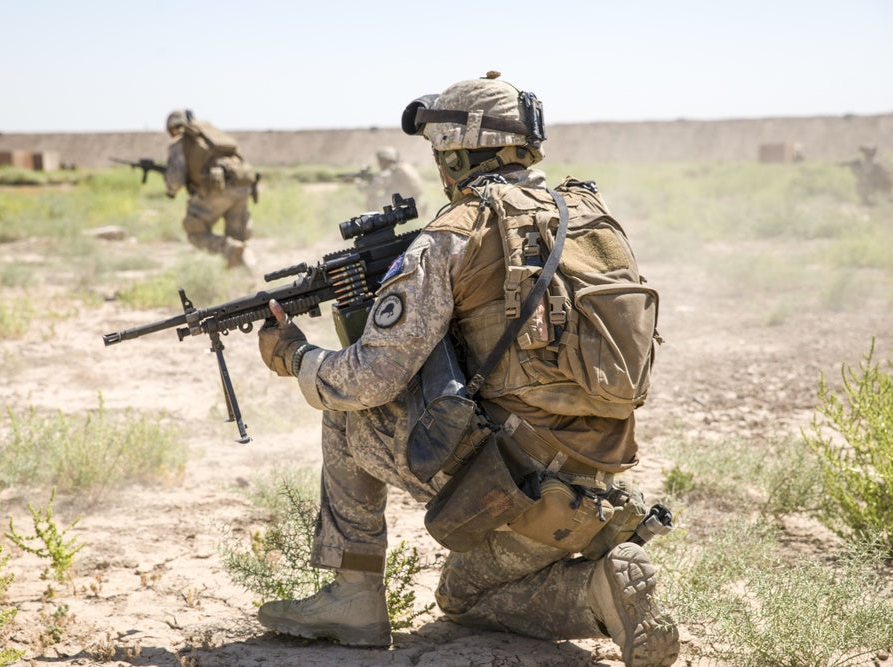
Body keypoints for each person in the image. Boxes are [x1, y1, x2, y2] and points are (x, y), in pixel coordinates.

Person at [255, 72, 680, 667]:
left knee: (346, 414)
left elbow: (366, 380)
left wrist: (294, 356)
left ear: (456, 153)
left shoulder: (456, 234)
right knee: (472, 585)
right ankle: (599, 589)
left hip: (510, 481)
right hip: (597, 476)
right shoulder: (585, 214)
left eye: (439, 154)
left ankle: (353, 599)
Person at [163, 109, 258, 268]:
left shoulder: (181, 142)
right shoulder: (212, 136)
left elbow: (175, 180)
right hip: (242, 185)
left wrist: (169, 187)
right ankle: (251, 276)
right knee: (239, 239)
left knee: (195, 231)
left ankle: (228, 248)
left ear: (172, 127)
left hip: (216, 189)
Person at [357, 146, 425, 214]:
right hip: (414, 200)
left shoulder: (391, 172)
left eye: (380, 160)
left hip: (402, 203)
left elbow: (370, 190)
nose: (379, 164)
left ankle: (377, 221)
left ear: (385, 160)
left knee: (371, 199)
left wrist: (358, 183)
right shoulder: (403, 166)